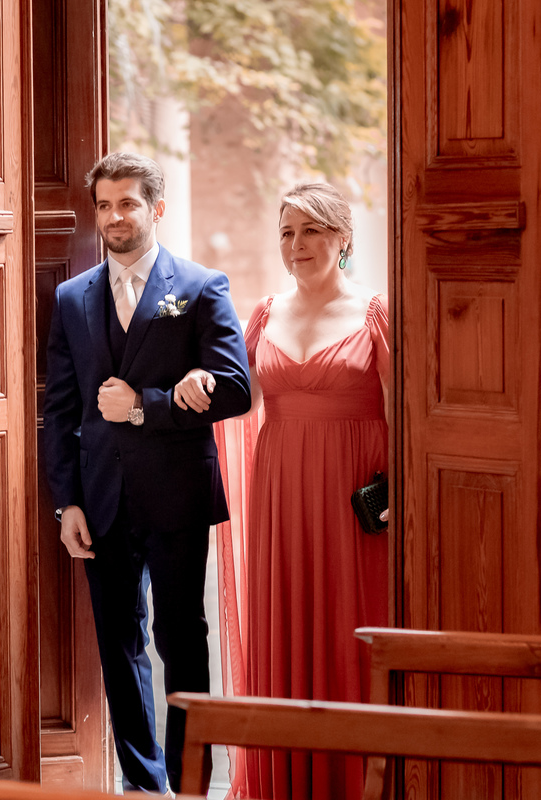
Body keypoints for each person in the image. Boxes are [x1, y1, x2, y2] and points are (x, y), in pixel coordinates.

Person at [42, 152, 252, 795]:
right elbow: (60, 408)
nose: (113, 217)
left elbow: (237, 390)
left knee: (181, 639)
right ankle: (144, 783)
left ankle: (192, 784)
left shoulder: (200, 286)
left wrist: (147, 407)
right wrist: (66, 503)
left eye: (127, 203)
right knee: (118, 645)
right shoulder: (72, 298)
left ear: (156, 208)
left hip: (176, 495)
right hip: (100, 499)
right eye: (103, 205)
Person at [181, 183, 390, 799]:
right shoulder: (265, 314)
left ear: (343, 238)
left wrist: (399, 494)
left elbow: (409, 411)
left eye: (313, 231)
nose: (297, 245)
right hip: (280, 495)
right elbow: (229, 386)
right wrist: (196, 375)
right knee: (285, 619)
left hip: (355, 496)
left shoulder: (376, 312)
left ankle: (355, 781)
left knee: (353, 628)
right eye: (288, 233)